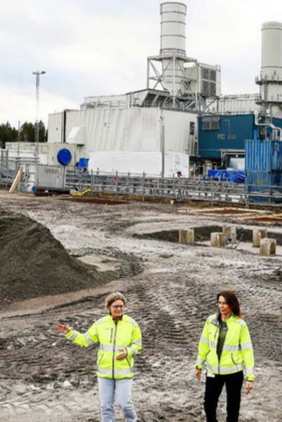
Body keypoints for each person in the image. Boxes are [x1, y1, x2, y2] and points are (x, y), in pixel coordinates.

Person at [56, 292, 142, 422]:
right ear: (108, 307)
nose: (118, 309)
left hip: (124, 373)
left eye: (121, 306)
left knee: (125, 404)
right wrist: (70, 333)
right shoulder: (100, 324)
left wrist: (129, 351)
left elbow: (137, 345)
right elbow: (85, 340)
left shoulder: (132, 324)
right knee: (106, 407)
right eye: (115, 306)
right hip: (104, 374)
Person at [195, 290, 254, 422]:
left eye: (225, 303)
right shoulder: (210, 321)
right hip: (213, 370)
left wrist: (250, 376)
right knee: (209, 404)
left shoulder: (240, 325)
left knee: (233, 408)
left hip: (234, 373)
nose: (221, 306)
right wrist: (199, 364)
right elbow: (204, 343)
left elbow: (247, 351)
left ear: (232, 305)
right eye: (219, 303)